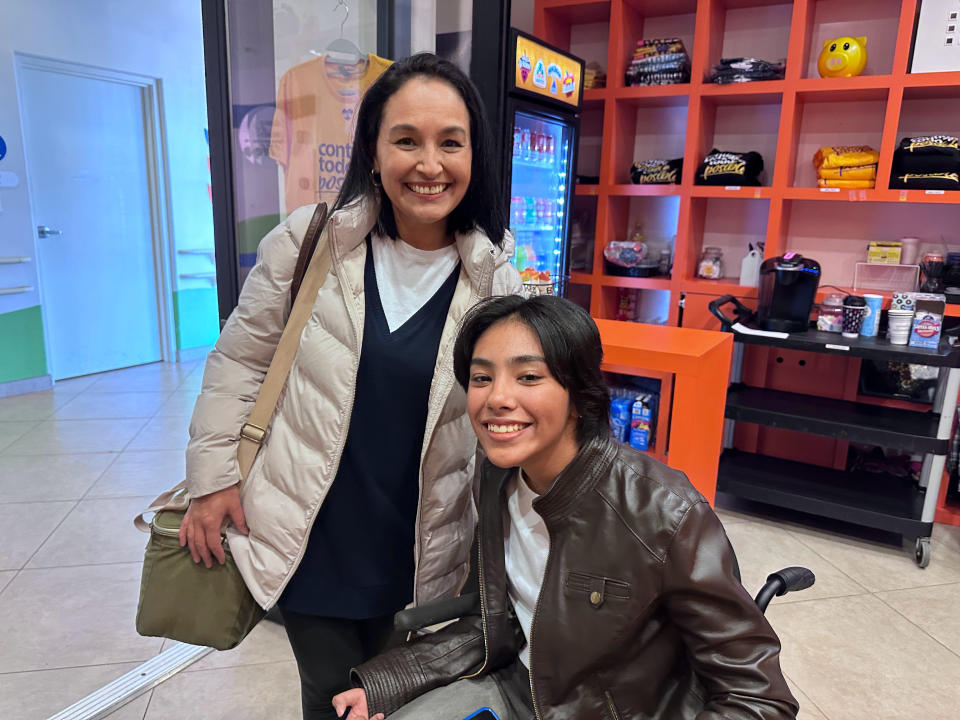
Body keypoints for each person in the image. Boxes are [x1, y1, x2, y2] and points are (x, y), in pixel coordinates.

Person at [178, 53, 522, 720]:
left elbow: (508, 414)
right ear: (373, 152)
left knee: (402, 702)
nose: (429, 163)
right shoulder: (308, 244)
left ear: (474, 155)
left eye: (450, 142)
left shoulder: (494, 280)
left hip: (423, 550)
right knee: (333, 700)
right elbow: (240, 363)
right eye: (406, 140)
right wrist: (211, 478)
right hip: (313, 540)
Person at [332, 295, 800, 720]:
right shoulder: (497, 474)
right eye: (481, 377)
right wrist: (390, 683)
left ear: (579, 395)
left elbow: (758, 698)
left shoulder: (662, 511)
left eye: (529, 376)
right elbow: (498, 619)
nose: (497, 398)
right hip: (516, 683)